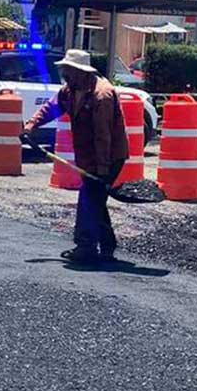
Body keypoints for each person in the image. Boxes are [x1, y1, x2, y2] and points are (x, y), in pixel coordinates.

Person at [24, 48, 129, 264]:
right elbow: (52, 107)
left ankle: (85, 247)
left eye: (67, 70)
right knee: (96, 199)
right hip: (88, 155)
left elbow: (103, 137)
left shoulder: (102, 95)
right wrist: (32, 125)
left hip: (108, 156)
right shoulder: (70, 90)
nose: (64, 74)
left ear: (81, 72)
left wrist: (102, 170)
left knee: (89, 199)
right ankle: (107, 246)